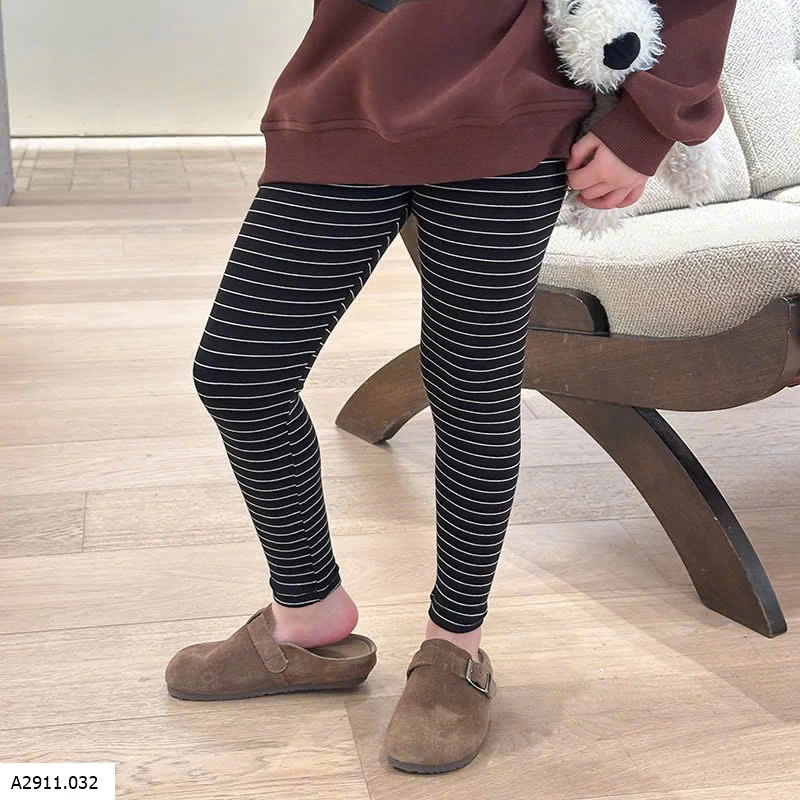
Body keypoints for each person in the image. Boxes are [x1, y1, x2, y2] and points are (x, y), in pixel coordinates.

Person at [165, 0, 737, 774]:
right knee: (239, 372)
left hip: (513, 103)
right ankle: (306, 612)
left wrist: (646, 124)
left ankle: (455, 644)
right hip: (343, 89)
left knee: (471, 384)